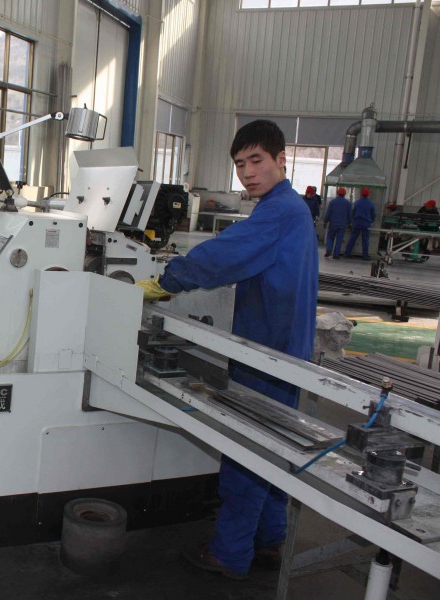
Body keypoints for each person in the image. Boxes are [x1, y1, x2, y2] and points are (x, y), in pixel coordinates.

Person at [137, 120, 318, 580]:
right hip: (283, 349)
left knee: (248, 452)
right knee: (273, 446)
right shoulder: (286, 209)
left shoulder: (279, 212)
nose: (248, 173)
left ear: (281, 160)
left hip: (268, 353)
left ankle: (230, 553)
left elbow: (225, 256)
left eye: (257, 161)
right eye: (240, 164)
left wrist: (167, 280)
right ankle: (271, 540)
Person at [344, 188, 376, 260]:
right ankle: (365, 256)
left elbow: (353, 212)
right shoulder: (371, 203)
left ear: (361, 194)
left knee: (353, 238)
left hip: (357, 222)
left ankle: (347, 253)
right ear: (368, 194)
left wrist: (353, 220)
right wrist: (372, 221)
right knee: (365, 240)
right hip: (366, 223)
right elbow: (373, 214)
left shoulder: (357, 202)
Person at [322, 187, 352, 258]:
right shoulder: (348, 203)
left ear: (337, 193)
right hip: (342, 225)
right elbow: (349, 215)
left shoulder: (332, 202)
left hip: (333, 224)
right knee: (339, 239)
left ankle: (328, 250)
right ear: (344, 194)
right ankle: (336, 254)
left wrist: (325, 221)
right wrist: (350, 223)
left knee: (330, 238)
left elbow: (328, 213)